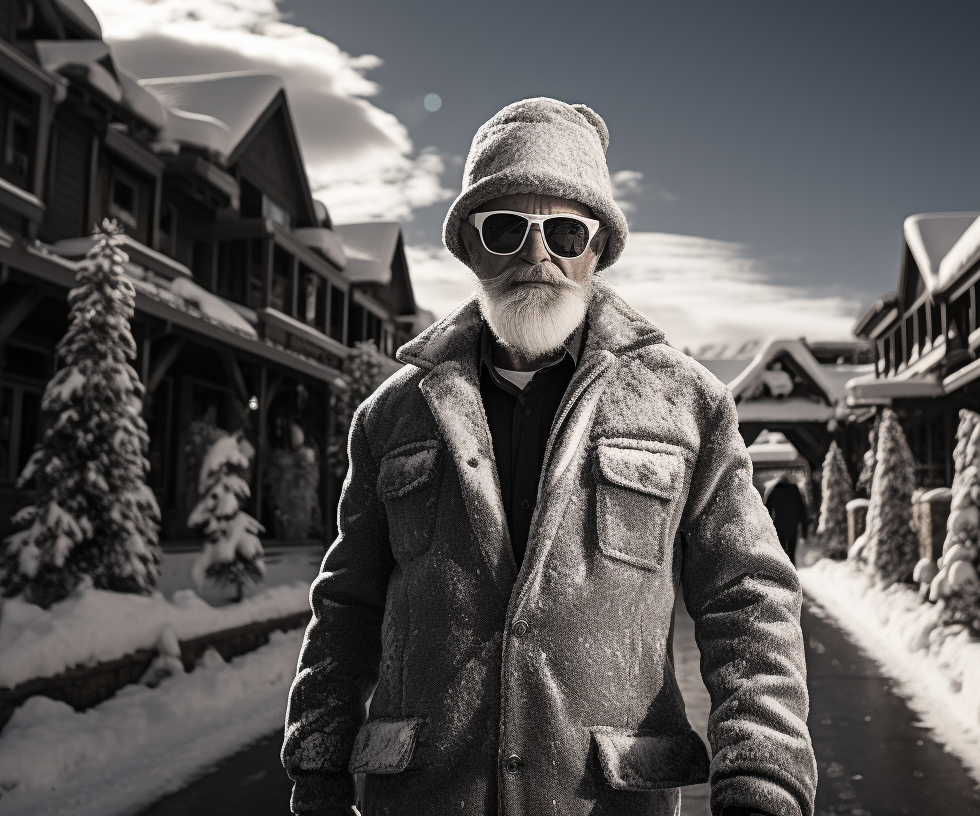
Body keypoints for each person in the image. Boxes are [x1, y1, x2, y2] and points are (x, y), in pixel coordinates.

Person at [282, 98, 816, 816]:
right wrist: (316, 770)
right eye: (506, 229)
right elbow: (346, 604)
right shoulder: (393, 414)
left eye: (566, 230)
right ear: (470, 247)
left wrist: (763, 778)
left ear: (598, 249)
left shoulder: (688, 404)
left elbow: (748, 598)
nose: (539, 255)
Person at [764, 474, 809, 564]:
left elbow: (766, 509)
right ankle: (792, 572)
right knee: (791, 552)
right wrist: (804, 531)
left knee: (781, 552)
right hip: (792, 525)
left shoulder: (774, 490)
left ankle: (784, 573)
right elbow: (802, 510)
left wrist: (767, 526)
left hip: (779, 525)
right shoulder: (795, 490)